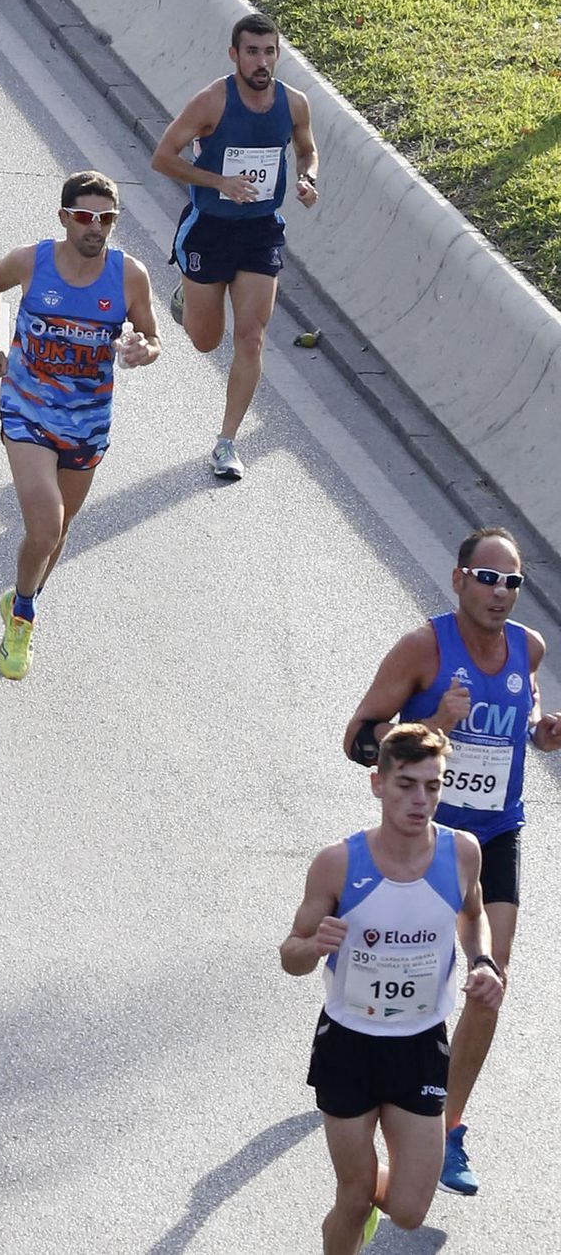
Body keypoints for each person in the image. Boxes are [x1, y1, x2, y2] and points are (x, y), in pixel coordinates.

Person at [343, 528, 560, 1198]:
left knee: (488, 981)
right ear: (459, 578)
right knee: (399, 977)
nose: (500, 592)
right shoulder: (424, 647)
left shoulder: (529, 647)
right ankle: (363, 1080)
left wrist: (541, 732)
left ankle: (447, 1125)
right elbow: (357, 739)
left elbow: (514, 723)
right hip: (421, 839)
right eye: (486, 577)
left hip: (495, 834)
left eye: (513, 581)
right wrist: (436, 717)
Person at [280, 722, 505, 1255]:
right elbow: (290, 957)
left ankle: (354, 1208)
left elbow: (473, 916)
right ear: (378, 783)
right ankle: (348, 1217)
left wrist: (484, 961)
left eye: (433, 785)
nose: (421, 799)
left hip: (420, 1044)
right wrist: (312, 947)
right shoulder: (338, 863)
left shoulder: (463, 853)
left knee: (408, 1210)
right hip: (349, 1044)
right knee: (355, 1197)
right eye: (407, 784)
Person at [0, 172, 161, 679]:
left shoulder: (129, 276)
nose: (94, 227)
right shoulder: (32, 261)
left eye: (105, 219)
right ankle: (23, 619)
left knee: (58, 532)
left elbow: (151, 335)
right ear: (63, 217)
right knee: (47, 524)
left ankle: (23, 598)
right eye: (84, 216)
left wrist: (143, 349)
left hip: (87, 421)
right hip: (27, 408)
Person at [150, 10, 318, 480]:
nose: (261, 62)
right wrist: (218, 181)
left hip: (261, 228)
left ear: (278, 54)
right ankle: (187, 295)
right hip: (210, 227)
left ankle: (227, 442)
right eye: (252, 52)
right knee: (207, 341)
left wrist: (307, 178)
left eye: (269, 52)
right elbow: (163, 156)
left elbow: (307, 148)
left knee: (251, 336)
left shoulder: (294, 103)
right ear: (235, 55)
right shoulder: (212, 102)